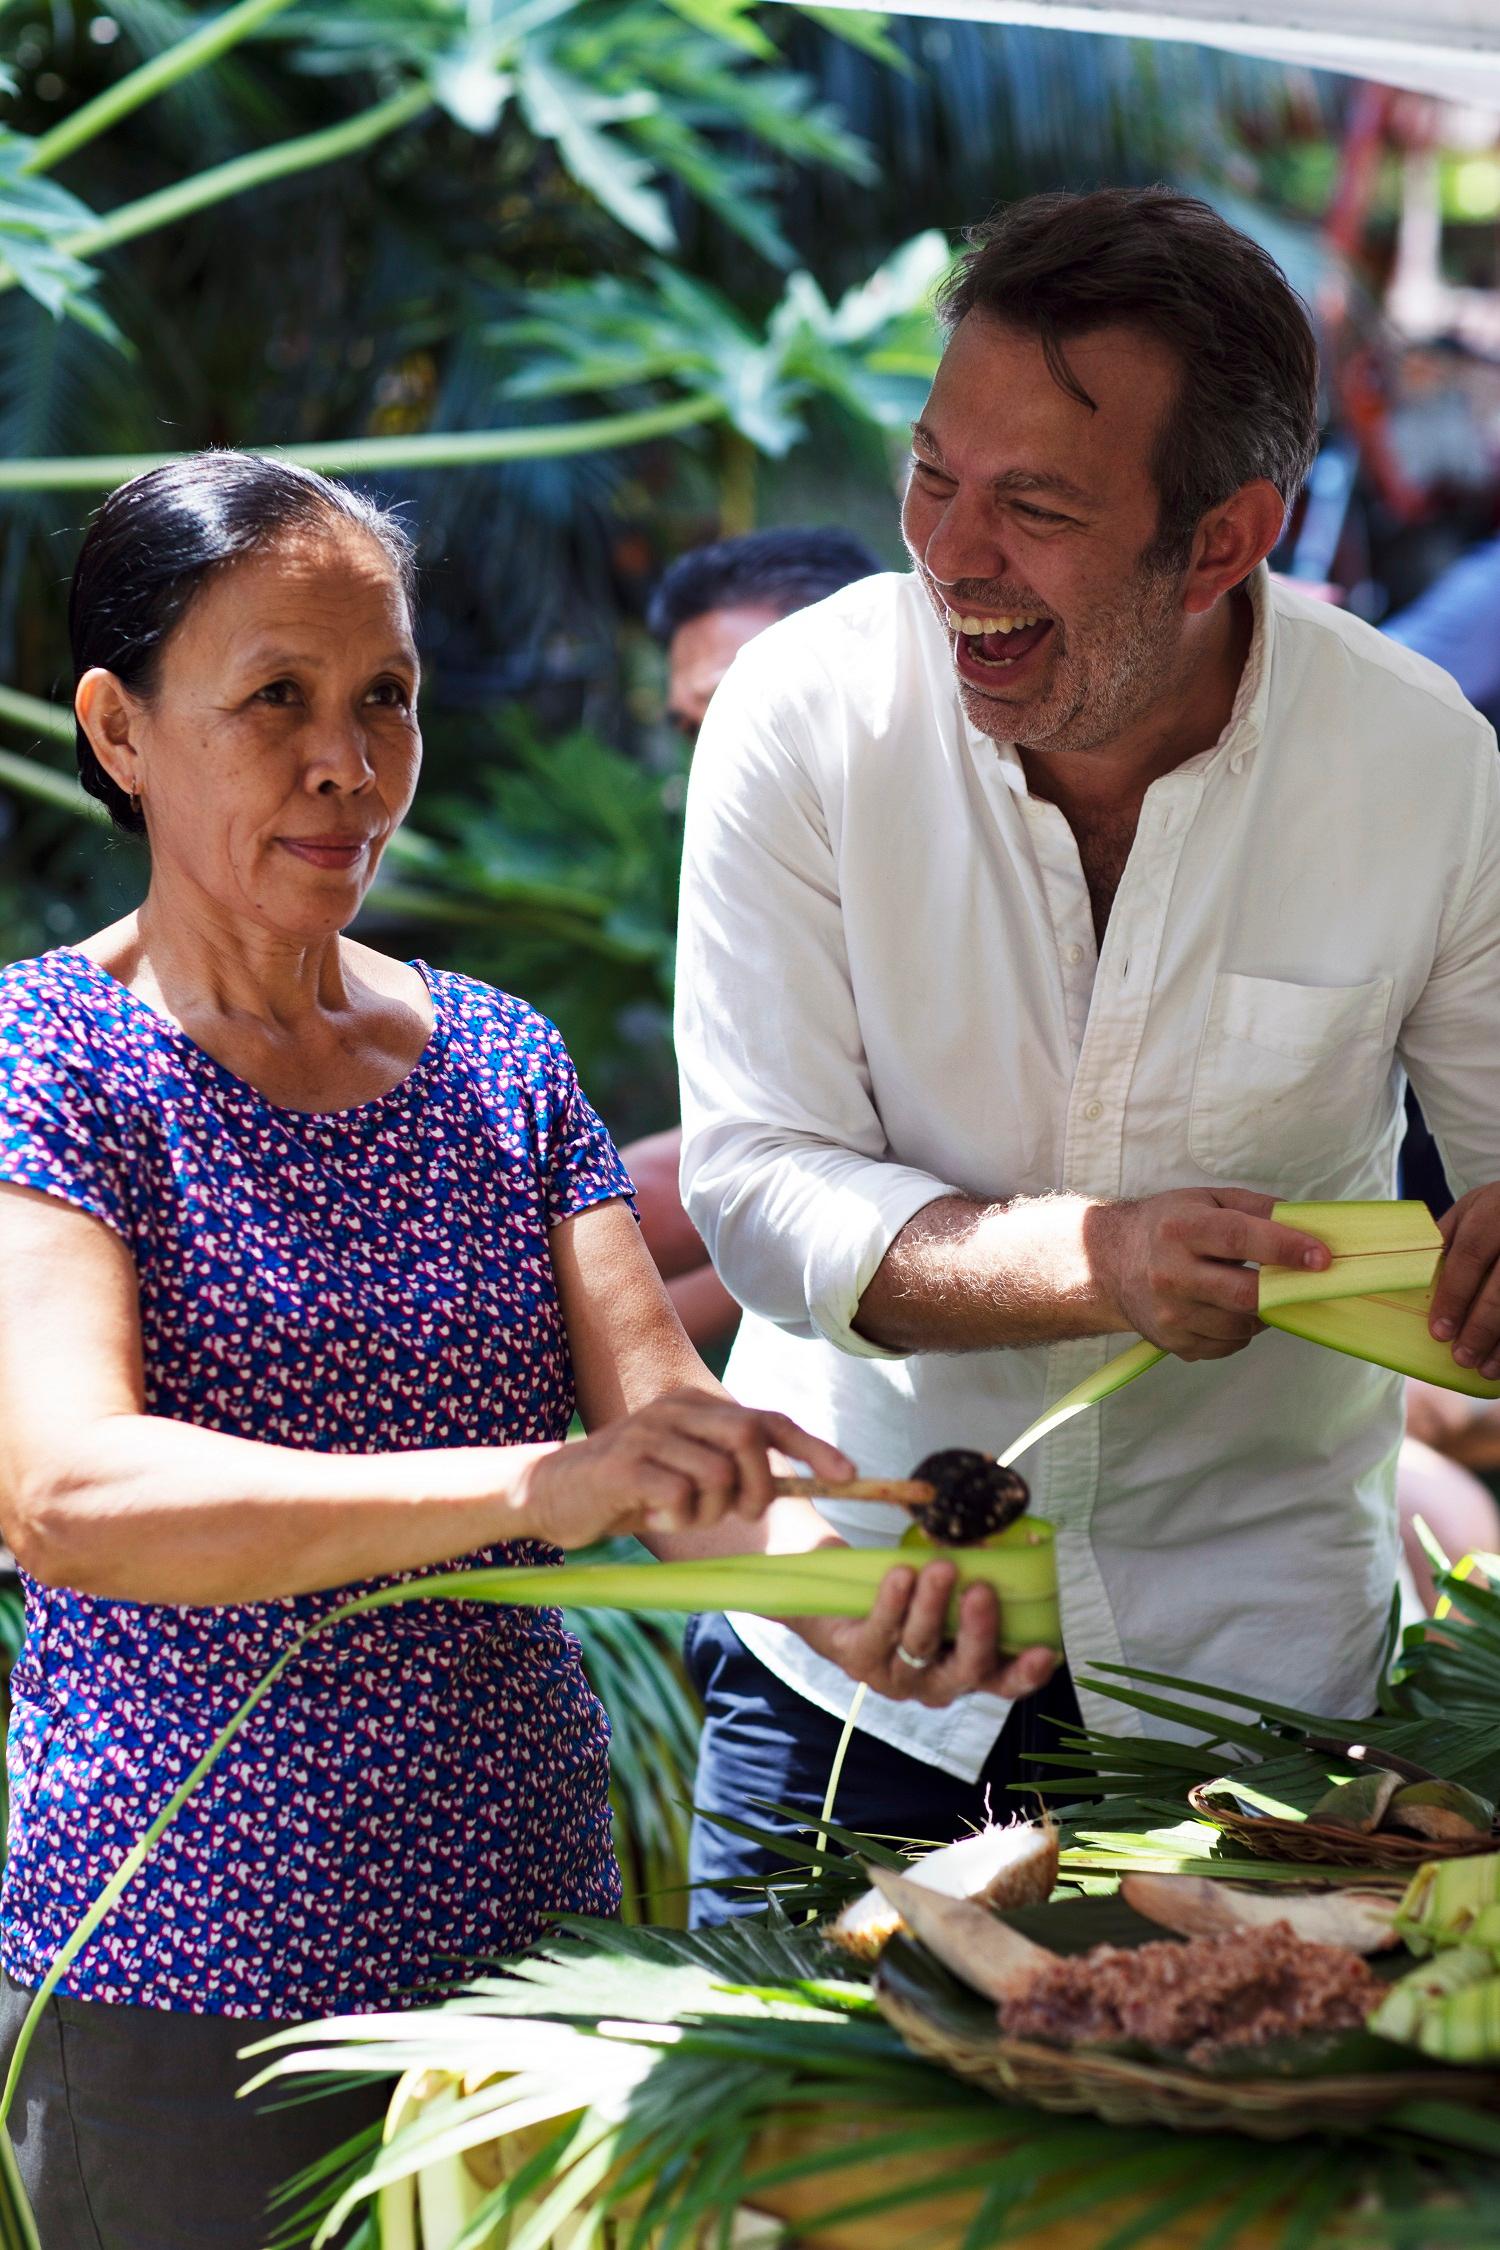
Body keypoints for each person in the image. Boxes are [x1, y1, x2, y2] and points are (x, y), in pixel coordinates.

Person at [0, 455, 1014, 2249]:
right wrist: (541, 1487)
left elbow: (682, 1460)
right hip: (186, 1973)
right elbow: (73, 1495)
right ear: (117, 729)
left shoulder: (496, 1059)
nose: (349, 761)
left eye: (385, 698)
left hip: (528, 1960)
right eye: (277, 702)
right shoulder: (52, 1063)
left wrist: (858, 1599)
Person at [675, 186, 1500, 1921]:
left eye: (1034, 507)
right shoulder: (806, 714)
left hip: (1260, 1681)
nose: (950, 553)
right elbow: (756, 1185)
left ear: (1224, 540)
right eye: (931, 475)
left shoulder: (1424, 767)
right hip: (864, 1625)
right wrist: (1096, 1261)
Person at [627, 526, 882, 1351]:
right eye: (697, 731)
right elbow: (739, 1162)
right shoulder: (747, 855)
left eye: (747, 711)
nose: (724, 761)